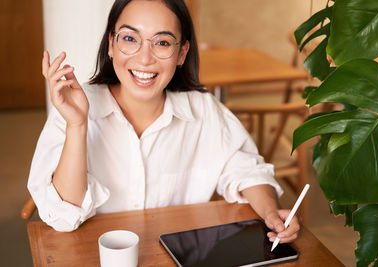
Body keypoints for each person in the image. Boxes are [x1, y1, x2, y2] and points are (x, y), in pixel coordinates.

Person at [28, 0, 300, 247]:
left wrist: (270, 212)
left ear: (182, 53)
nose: (144, 58)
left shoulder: (203, 110)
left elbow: (247, 171)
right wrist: (77, 126)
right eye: (129, 38)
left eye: (162, 43)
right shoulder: (76, 106)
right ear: (111, 44)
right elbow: (63, 217)